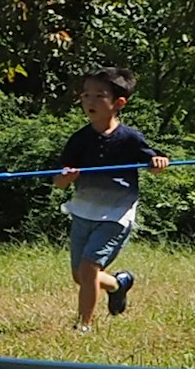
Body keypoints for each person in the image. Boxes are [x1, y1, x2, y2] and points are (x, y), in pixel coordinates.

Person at [57, 66, 171, 330]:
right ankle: (119, 284)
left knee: (88, 270)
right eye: (86, 95)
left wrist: (159, 162)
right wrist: (66, 177)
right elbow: (58, 182)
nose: (90, 101)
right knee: (81, 276)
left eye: (99, 96)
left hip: (115, 216)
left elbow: (153, 164)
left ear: (119, 103)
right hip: (83, 212)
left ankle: (83, 326)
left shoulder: (130, 139)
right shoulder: (79, 140)